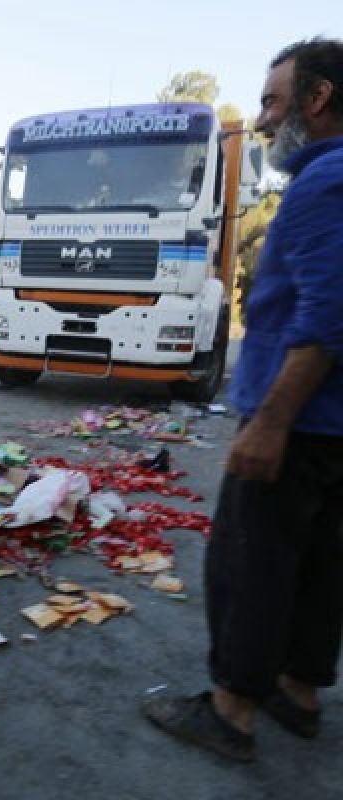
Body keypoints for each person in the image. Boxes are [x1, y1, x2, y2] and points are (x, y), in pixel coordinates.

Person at [143, 37, 343, 763]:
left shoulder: (325, 181)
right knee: (320, 564)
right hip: (332, 430)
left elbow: (326, 319)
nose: (259, 123)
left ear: (317, 100)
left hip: (295, 424)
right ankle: (297, 695)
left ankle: (231, 713)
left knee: (250, 566)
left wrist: (269, 424)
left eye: (271, 101)